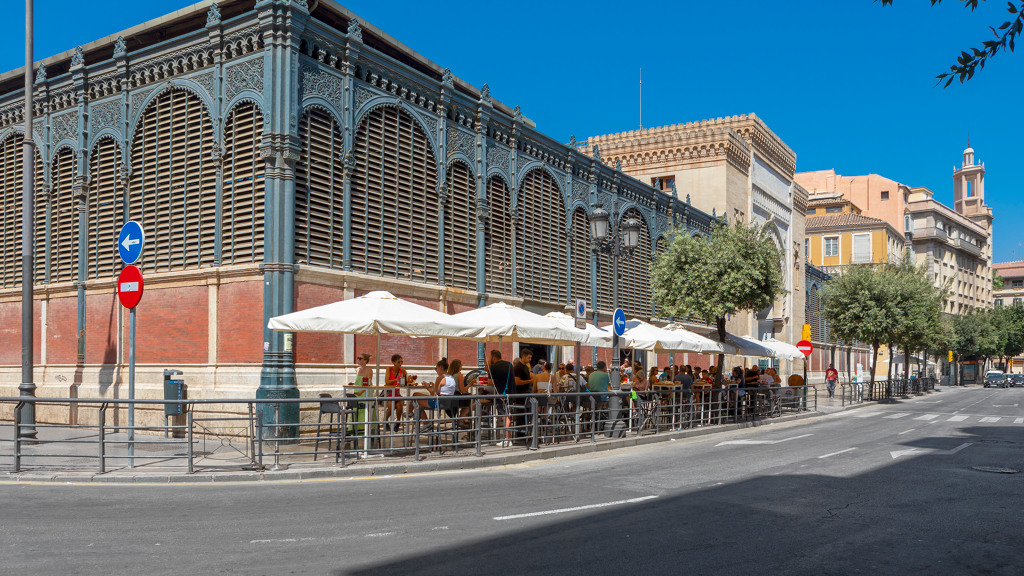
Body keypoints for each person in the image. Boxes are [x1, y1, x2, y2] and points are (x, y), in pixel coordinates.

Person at [487, 349, 515, 447]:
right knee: (507, 414)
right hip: (512, 393)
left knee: (505, 416)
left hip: (501, 394)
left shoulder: (493, 367)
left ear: (494, 357)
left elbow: (490, 382)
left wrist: (488, 370)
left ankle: (507, 439)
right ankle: (508, 438)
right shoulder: (509, 364)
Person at [383, 354, 407, 431]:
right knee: (391, 405)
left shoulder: (403, 371)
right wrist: (396, 380)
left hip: (397, 392)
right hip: (388, 392)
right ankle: (385, 420)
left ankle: (398, 422)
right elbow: (387, 382)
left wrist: (408, 379)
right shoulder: (389, 369)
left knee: (400, 405)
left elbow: (405, 382)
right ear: (393, 362)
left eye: (401, 362)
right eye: (398, 362)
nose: (400, 363)